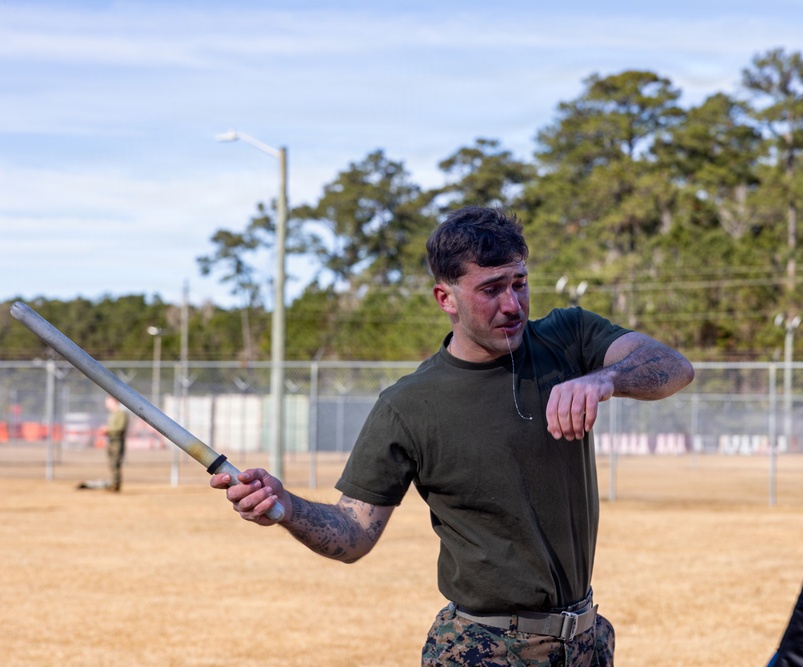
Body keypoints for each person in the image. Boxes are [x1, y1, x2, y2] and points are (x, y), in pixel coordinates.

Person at [211, 206, 694, 666]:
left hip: (585, 642)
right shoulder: (408, 406)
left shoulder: (568, 337)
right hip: (484, 649)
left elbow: (675, 367)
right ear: (446, 299)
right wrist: (288, 507)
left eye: (520, 283)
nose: (513, 304)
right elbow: (354, 532)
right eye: (491, 289)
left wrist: (604, 379)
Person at [104, 396, 128, 492]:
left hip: (117, 441)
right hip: (111, 440)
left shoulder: (121, 414)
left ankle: (116, 484)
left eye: (108, 402)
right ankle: (114, 483)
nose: (106, 405)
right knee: (111, 463)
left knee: (116, 463)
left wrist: (107, 430)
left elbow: (120, 428)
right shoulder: (112, 414)